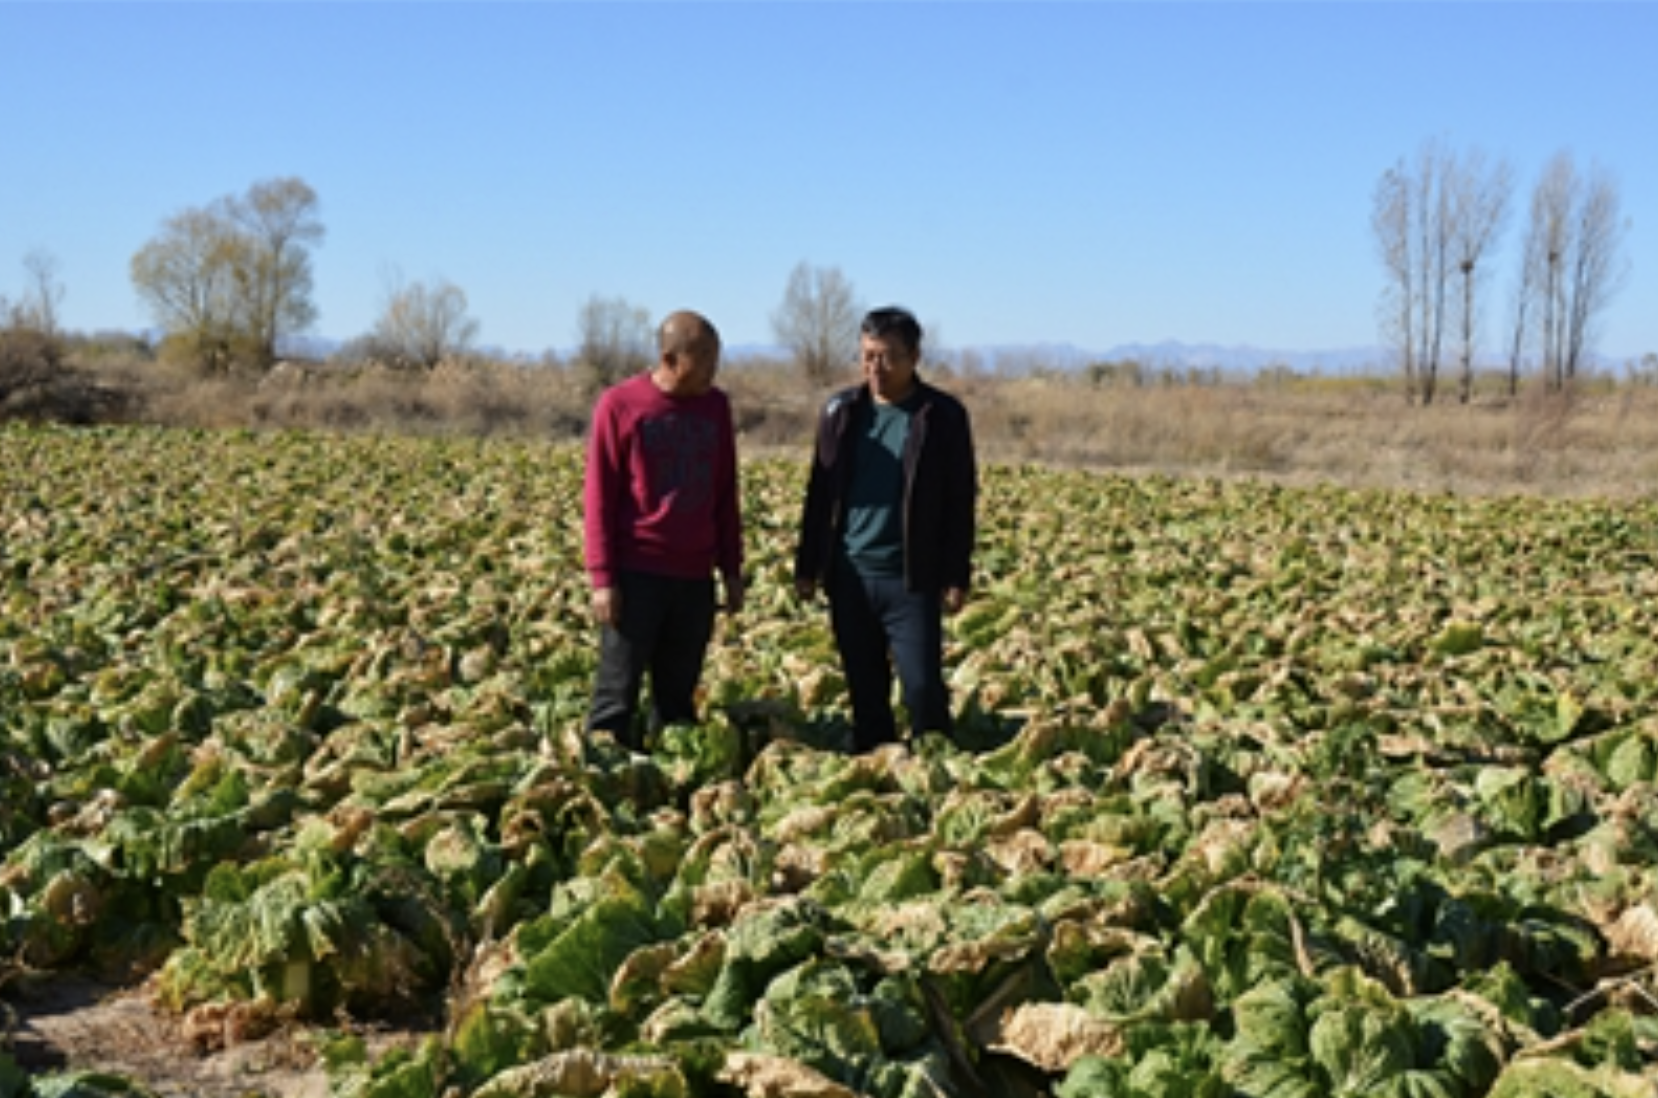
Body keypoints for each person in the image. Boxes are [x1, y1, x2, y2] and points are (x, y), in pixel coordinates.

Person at [794, 306, 977, 753]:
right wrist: (808, 564)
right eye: (868, 356)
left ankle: (936, 771)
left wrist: (956, 574)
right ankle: (877, 770)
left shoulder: (941, 416)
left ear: (915, 357)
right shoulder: (841, 412)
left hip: (909, 576)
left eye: (888, 357)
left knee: (921, 688)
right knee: (864, 689)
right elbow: (820, 495)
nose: (876, 367)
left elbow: (960, 500)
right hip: (850, 575)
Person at [583, 310, 744, 749]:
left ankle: (667, 787)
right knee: (616, 695)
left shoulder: (716, 407)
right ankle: (607, 782)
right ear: (670, 359)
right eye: (705, 358)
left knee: (677, 700)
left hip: (693, 576)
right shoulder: (620, 405)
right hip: (637, 573)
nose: (714, 368)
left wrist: (731, 569)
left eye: (717, 356)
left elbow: (725, 490)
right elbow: (599, 497)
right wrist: (603, 578)